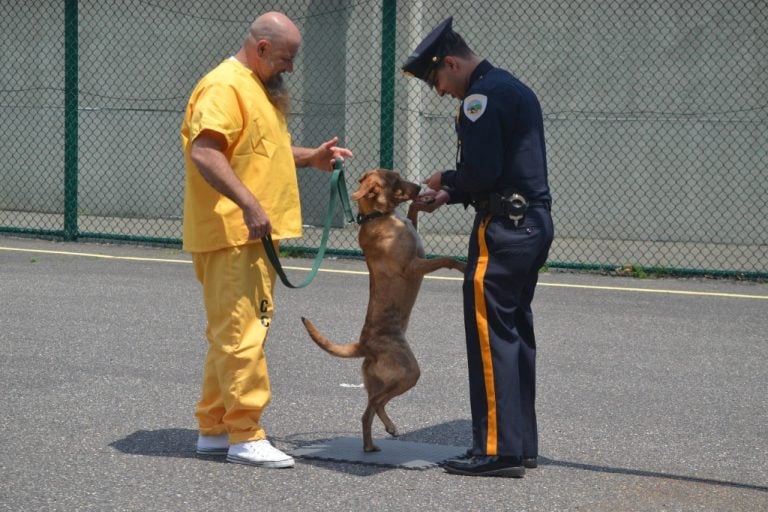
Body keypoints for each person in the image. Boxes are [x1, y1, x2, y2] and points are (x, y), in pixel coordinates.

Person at [180, 11, 353, 469]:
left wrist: (309, 157)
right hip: (234, 233)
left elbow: (260, 151)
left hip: (246, 237)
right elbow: (206, 152)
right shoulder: (224, 86)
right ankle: (246, 433)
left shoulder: (256, 89)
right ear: (260, 49)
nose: (290, 68)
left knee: (229, 335)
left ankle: (215, 428)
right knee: (244, 335)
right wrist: (250, 204)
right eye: (285, 58)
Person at [403, 17, 554, 478]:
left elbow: (482, 172)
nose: (441, 92)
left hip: (503, 232)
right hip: (531, 222)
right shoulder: (512, 87)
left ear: (450, 62)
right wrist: (453, 195)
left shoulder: (480, 99)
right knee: (513, 336)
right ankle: (519, 443)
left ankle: (496, 450)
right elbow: (503, 167)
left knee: (490, 340)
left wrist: (446, 181)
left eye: (439, 82)